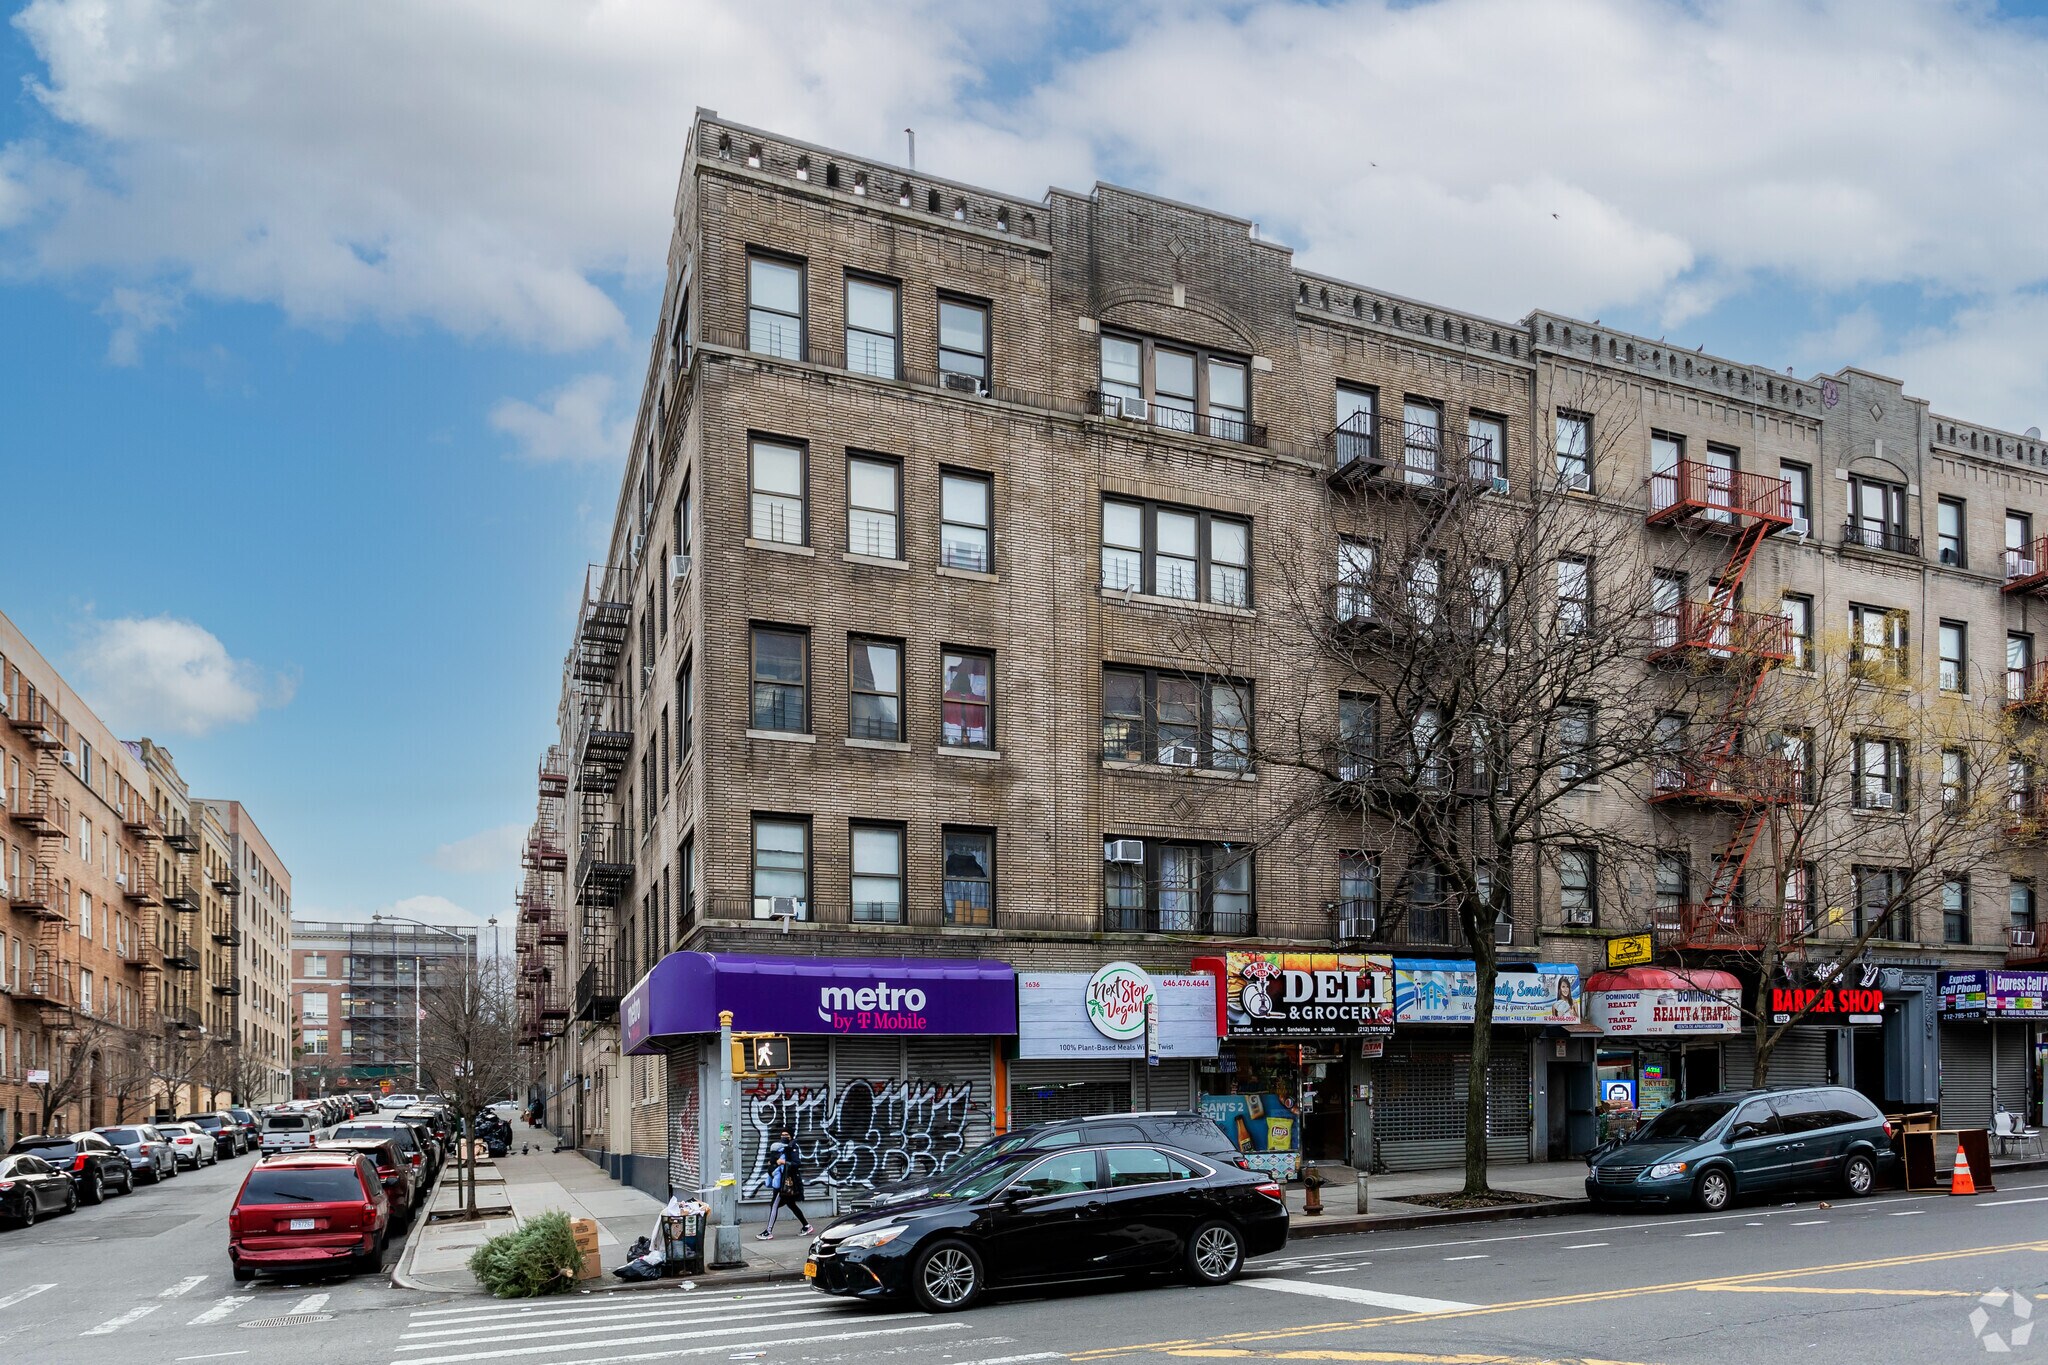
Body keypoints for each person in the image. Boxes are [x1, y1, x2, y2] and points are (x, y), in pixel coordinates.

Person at [757, 1126, 814, 1240]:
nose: (784, 1137)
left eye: (786, 1135)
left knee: (774, 1205)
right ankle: (806, 1226)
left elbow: (797, 1164)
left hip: (785, 1183)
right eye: (782, 1135)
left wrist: (784, 1162)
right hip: (783, 1182)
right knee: (791, 1205)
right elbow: (774, 1159)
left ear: (791, 1136)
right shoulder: (783, 1147)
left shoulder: (793, 1148)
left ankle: (768, 1231)